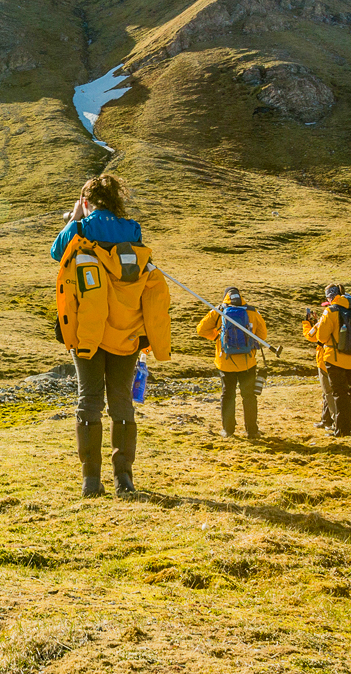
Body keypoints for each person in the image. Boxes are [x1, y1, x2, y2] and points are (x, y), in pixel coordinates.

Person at [52, 174, 172, 496]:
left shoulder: (81, 228)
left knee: (88, 400)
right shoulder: (133, 231)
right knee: (121, 403)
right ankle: (124, 480)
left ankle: (91, 482)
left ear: (88, 201)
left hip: (87, 333)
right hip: (127, 333)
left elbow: (55, 252)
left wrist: (76, 218)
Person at [197, 287, 268, 438]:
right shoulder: (252, 312)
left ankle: (227, 430)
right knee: (248, 396)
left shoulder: (220, 311)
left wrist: (217, 337)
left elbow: (201, 329)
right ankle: (252, 431)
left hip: (225, 362)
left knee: (228, 395)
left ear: (225, 298)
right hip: (248, 361)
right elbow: (263, 335)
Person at [314, 284, 351, 436]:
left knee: (340, 394)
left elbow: (321, 336)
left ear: (331, 297)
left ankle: (342, 429)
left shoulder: (331, 311)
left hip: (336, 358)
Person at [302, 307, 334, 431]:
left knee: (328, 391)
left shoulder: (324, 320)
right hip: (339, 357)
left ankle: (334, 420)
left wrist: (307, 323)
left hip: (325, 358)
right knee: (329, 392)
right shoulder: (341, 317)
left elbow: (310, 335)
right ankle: (326, 419)